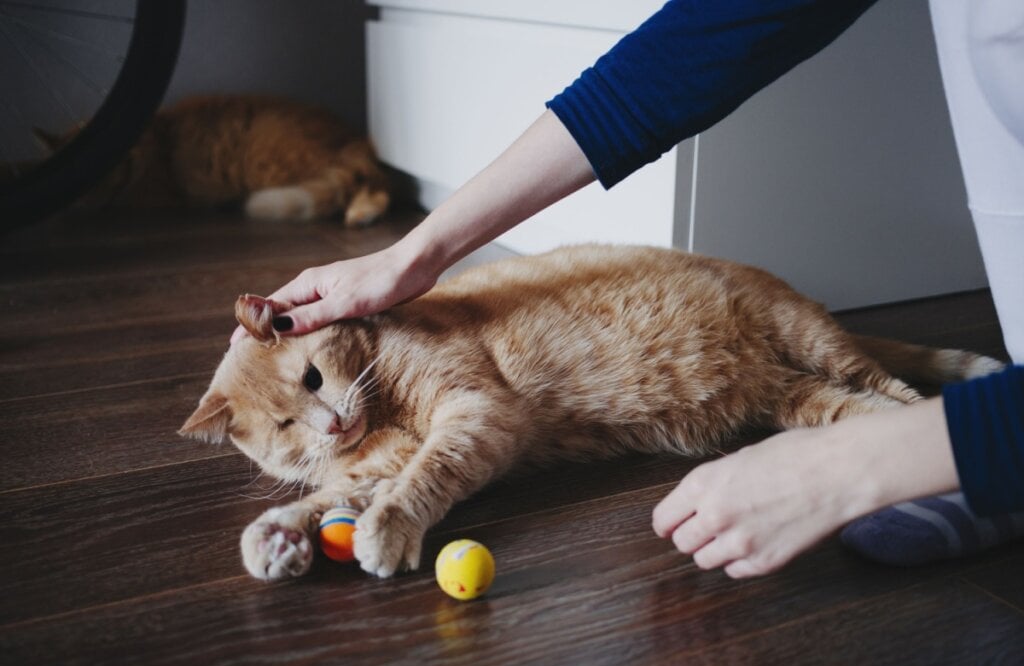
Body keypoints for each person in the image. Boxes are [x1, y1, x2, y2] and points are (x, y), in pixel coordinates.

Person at [237, 0, 1024, 577]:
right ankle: (966, 426)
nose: (328, 416)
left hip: (707, 315)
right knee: (791, 394)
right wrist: (417, 251)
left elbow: (478, 418)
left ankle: (955, 440)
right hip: (709, 384)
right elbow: (712, 38)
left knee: (830, 369)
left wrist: (841, 467)